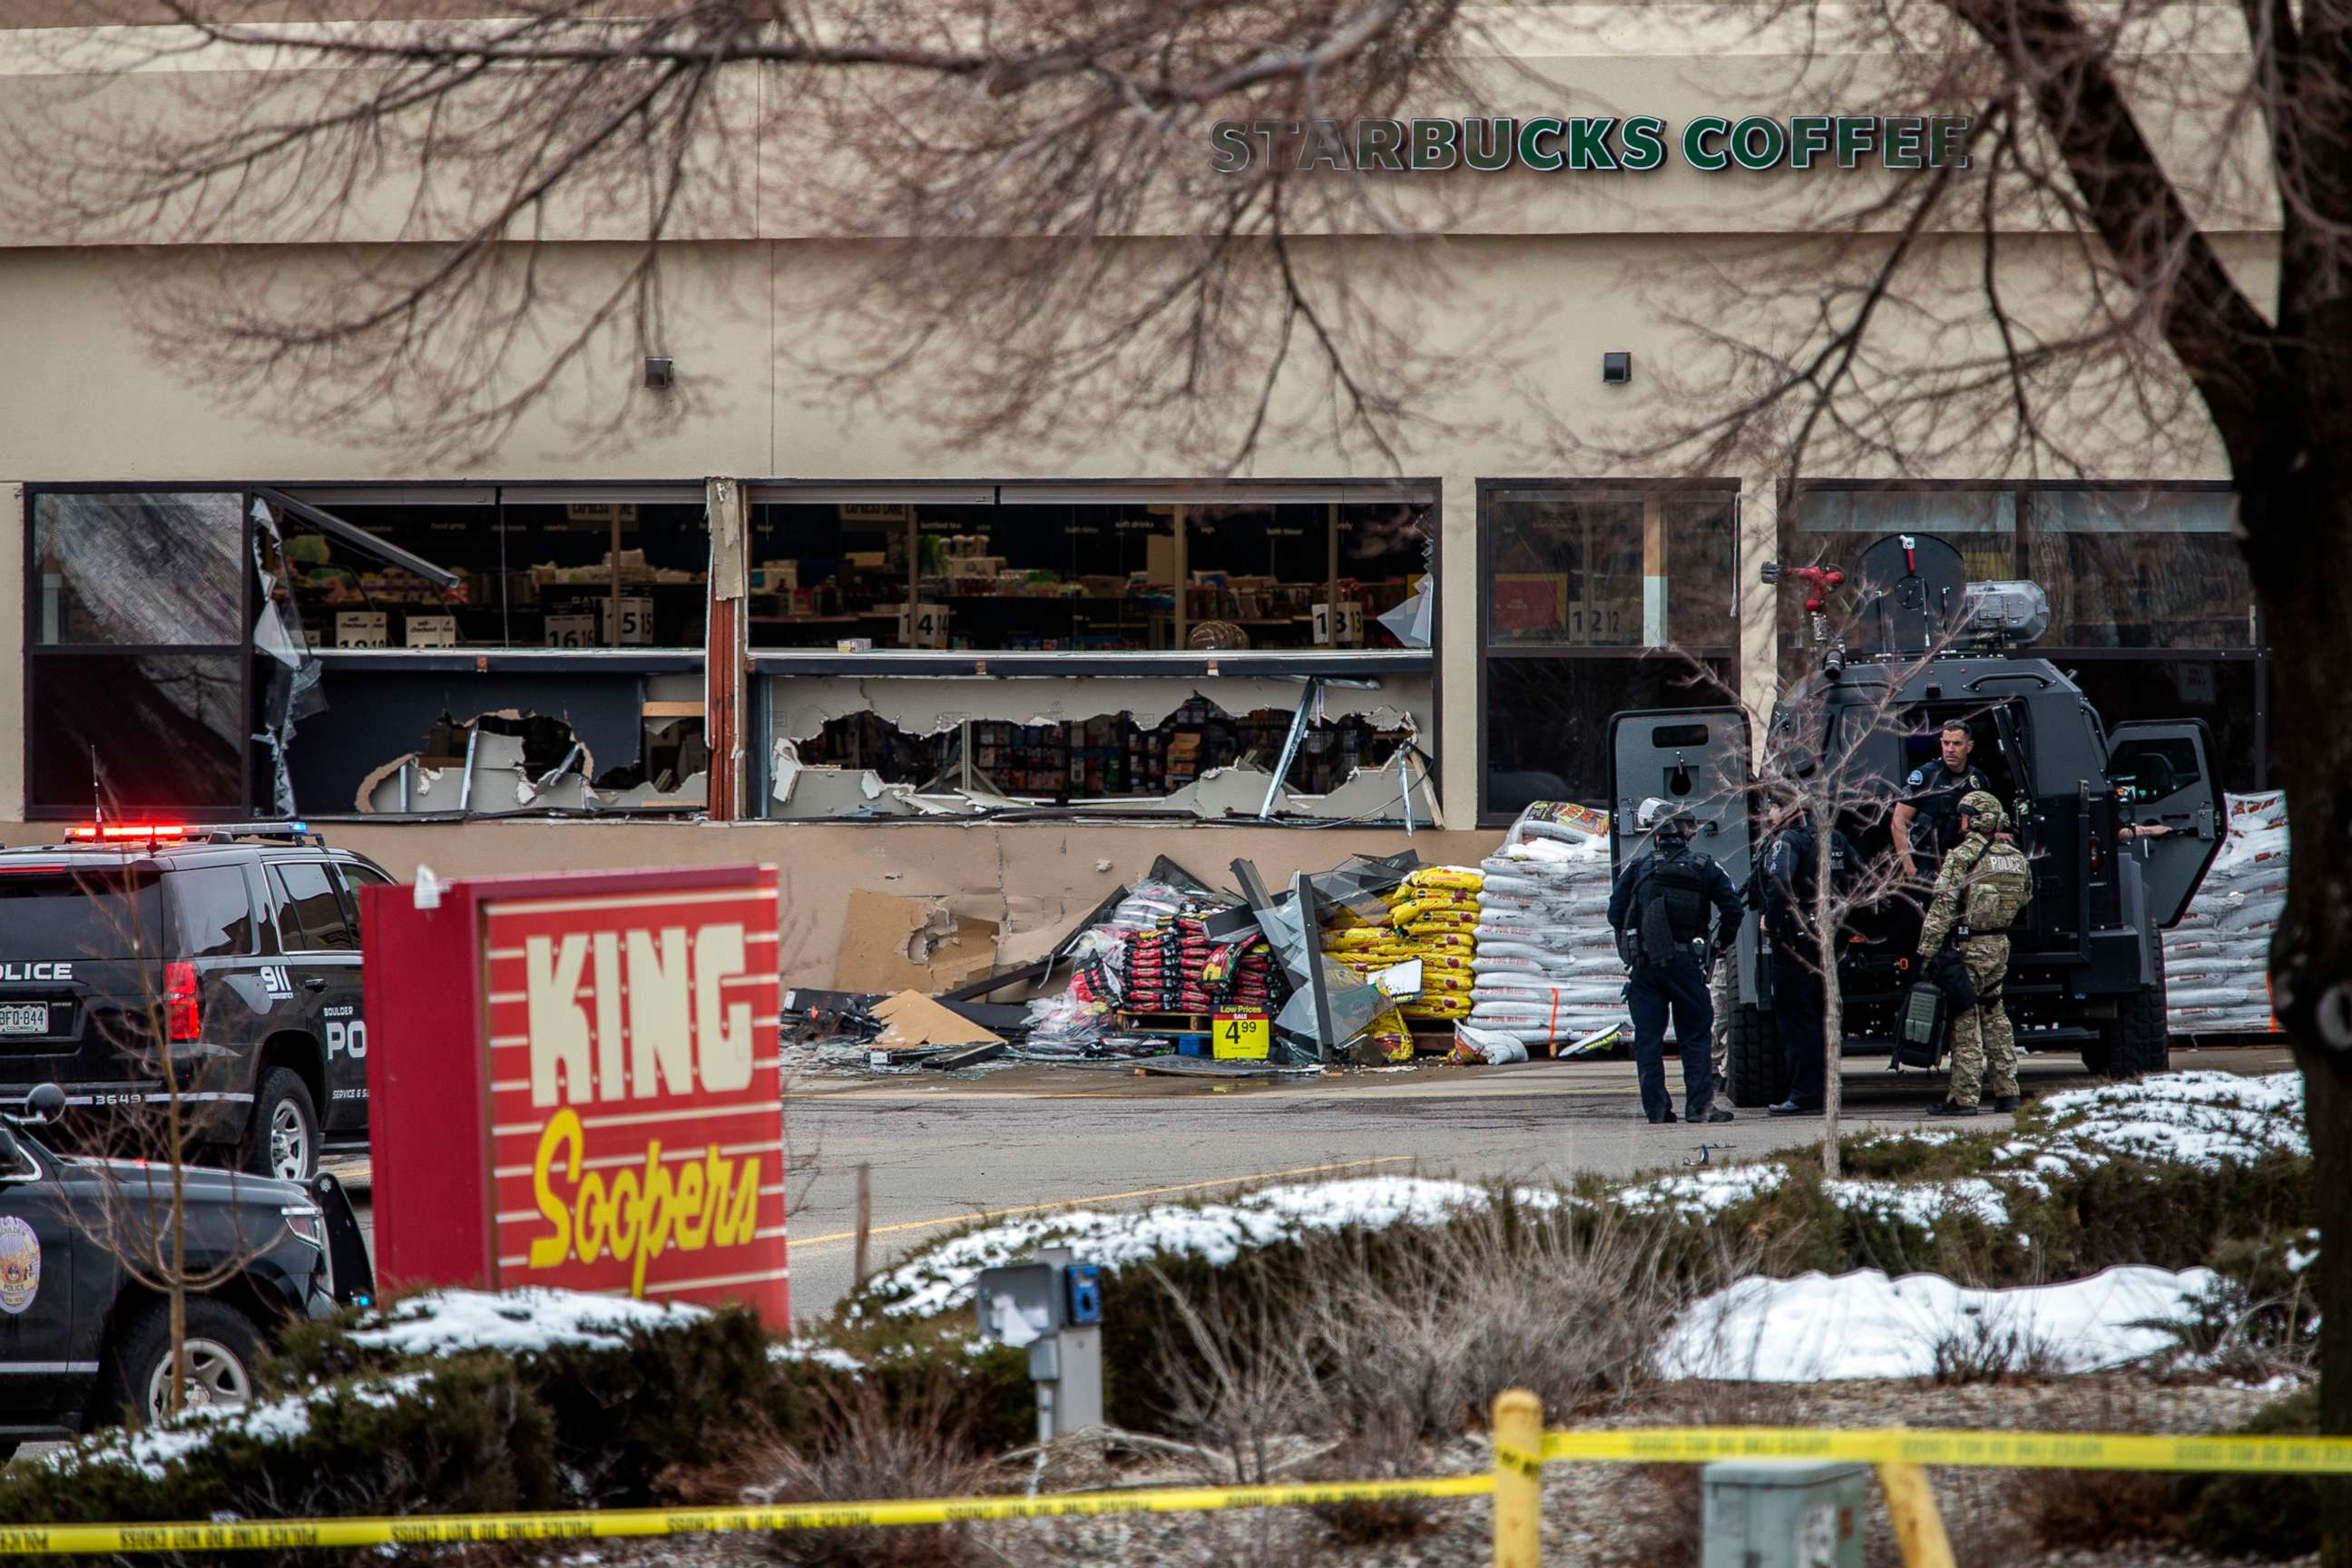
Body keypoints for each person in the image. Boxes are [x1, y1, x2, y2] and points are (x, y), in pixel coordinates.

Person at [1608, 804, 1744, 1124]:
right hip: (1687, 963)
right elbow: (1733, 910)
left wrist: (1633, 945)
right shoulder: (1706, 867)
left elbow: (1614, 912)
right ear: (1687, 833)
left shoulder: (1638, 867)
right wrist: (1719, 945)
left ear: (1655, 835)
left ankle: (1656, 1110)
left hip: (1645, 965)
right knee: (1695, 1037)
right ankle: (1699, 1108)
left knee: (1648, 1040)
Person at [1916, 789, 2033, 1117]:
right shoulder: (2015, 857)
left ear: (1974, 819)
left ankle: (1964, 1098)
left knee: (1964, 1018)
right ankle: (2008, 1091)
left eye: (1964, 814)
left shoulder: (1963, 856)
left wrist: (1927, 952)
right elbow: (2025, 898)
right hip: (1999, 945)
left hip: (1969, 947)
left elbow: (1942, 906)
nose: (1961, 821)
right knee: (1995, 1013)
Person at [1755, 804, 1857, 1118]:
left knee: (1796, 1019)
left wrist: (1772, 923)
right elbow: (1860, 875)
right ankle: (1826, 1089)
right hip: (1828, 938)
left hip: (1795, 941)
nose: (1769, 813)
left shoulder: (1787, 841)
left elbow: (1780, 881)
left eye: (1773, 807)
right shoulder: (1835, 838)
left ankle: (1804, 1094)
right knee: (1820, 1015)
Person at [1891, 720, 1994, 882]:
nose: (1950, 749)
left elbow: (1989, 824)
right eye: (1946, 743)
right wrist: (1910, 868)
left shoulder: (1978, 780)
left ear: (1969, 746)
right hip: (1928, 861)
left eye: (1957, 743)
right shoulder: (1925, 776)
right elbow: (1898, 822)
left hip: (1964, 861)